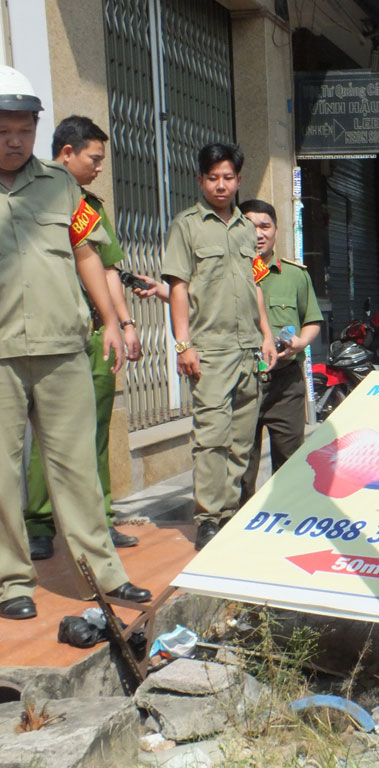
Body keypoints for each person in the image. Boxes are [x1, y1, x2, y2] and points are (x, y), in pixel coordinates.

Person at [0, 66, 151, 618]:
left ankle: (104, 573)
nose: (14, 140)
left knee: (78, 471)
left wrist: (112, 320)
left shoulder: (64, 186)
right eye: (2, 130)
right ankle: (13, 582)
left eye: (23, 129)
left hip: (64, 350)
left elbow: (89, 253)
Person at [23, 116, 143, 561]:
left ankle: (100, 519)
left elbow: (107, 268)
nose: (98, 167)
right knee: (46, 434)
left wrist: (123, 323)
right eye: (94, 159)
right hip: (49, 335)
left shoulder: (90, 206)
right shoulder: (28, 198)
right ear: (67, 153)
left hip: (93, 335)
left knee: (95, 431)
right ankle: (38, 522)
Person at [161, 143, 276, 551]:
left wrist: (265, 334)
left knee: (242, 439)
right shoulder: (187, 225)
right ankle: (209, 517)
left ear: (239, 180)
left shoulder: (247, 228)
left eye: (228, 177)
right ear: (201, 180)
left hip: (248, 348)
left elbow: (254, 286)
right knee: (211, 437)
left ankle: (230, 511)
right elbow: (177, 288)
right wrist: (183, 344)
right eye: (213, 178)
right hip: (209, 349)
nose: (221, 185)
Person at [239, 199, 322, 503]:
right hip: (242, 381)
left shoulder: (295, 275)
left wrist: (301, 342)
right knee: (241, 466)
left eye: (265, 226)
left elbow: (312, 321)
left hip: (286, 384)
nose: (259, 233)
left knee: (290, 462)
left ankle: (287, 518)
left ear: (276, 230)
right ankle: (240, 528)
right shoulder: (230, 274)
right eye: (250, 225)